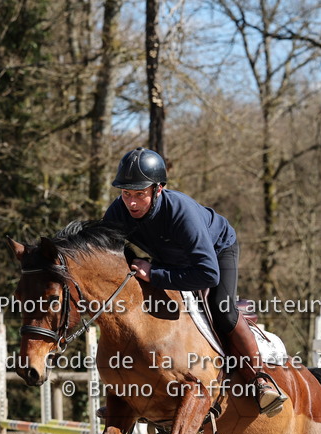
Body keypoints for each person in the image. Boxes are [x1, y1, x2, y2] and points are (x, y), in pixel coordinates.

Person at [103, 147, 287, 416]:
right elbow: (107, 252)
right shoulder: (117, 212)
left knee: (222, 310)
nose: (131, 203)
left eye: (139, 194)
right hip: (169, 258)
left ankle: (260, 380)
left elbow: (208, 274)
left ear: (158, 189)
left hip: (215, 254)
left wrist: (154, 273)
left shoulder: (181, 212)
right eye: (126, 193)